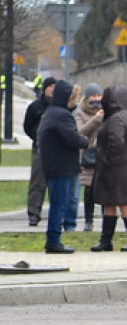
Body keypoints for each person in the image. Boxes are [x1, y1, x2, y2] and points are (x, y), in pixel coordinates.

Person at [37, 81, 88, 254]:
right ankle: (53, 240)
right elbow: (73, 138)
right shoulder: (62, 116)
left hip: (53, 165)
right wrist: (86, 141)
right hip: (62, 166)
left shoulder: (51, 113)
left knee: (57, 203)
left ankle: (53, 239)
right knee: (59, 204)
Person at [91, 86, 127, 251]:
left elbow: (116, 142)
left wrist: (107, 160)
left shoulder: (116, 119)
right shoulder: (121, 116)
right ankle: (106, 240)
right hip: (118, 167)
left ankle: (106, 240)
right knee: (110, 203)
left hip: (115, 169)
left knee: (121, 203)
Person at [23, 77, 56, 226]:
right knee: (37, 183)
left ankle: (56, 214)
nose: (52, 89)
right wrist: (37, 137)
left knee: (56, 184)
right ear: (44, 89)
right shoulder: (35, 107)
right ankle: (34, 214)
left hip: (56, 150)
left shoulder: (60, 106)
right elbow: (27, 126)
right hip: (39, 149)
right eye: (50, 86)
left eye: (55, 86)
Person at [75, 83, 104, 232]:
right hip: (89, 156)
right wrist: (96, 119)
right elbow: (81, 132)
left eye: (99, 96)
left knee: (105, 189)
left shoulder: (106, 110)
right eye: (93, 96)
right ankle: (88, 220)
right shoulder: (80, 113)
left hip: (104, 155)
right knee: (89, 190)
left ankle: (107, 219)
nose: (97, 99)